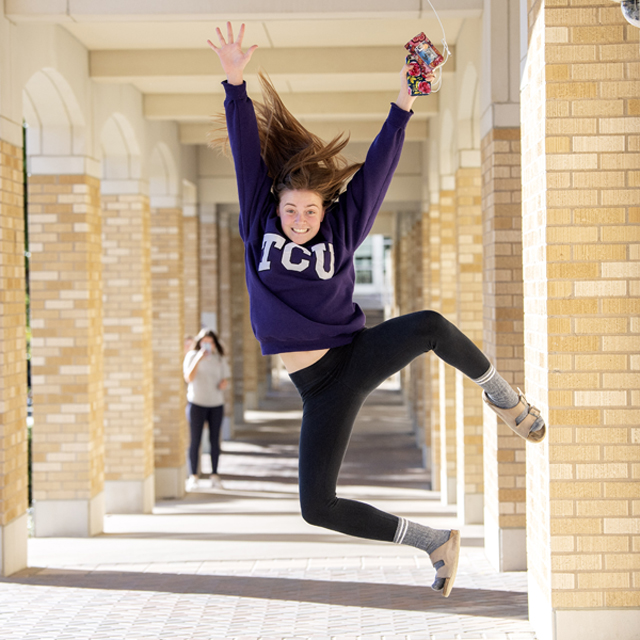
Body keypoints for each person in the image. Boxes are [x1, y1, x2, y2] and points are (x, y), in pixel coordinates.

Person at [207, 22, 546, 598]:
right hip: (319, 388)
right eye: (291, 210)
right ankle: (432, 542)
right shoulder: (256, 223)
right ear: (277, 206)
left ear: (323, 209)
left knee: (432, 325)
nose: (299, 220)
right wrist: (235, 82)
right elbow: (245, 157)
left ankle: (504, 397)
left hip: (354, 356)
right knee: (317, 506)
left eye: (309, 211)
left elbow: (381, 167)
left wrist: (407, 95)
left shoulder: (342, 229)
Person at [183, 328, 230, 490]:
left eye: (210, 342)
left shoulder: (219, 358)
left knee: (214, 441)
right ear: (199, 342)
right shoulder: (191, 356)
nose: (207, 345)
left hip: (216, 403)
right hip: (197, 403)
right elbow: (189, 377)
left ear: (215, 344)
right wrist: (199, 358)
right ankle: (193, 476)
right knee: (195, 440)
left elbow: (225, 379)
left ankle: (215, 475)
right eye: (204, 342)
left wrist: (224, 384)